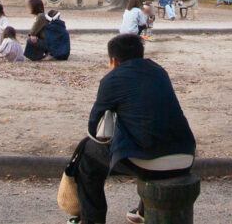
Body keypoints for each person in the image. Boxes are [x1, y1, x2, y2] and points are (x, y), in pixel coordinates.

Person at [65, 34, 195, 224]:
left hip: (149, 164)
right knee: (149, 133)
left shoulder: (112, 79)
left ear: (114, 61)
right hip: (185, 157)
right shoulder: (159, 71)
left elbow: (94, 131)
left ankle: (91, 220)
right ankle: (144, 211)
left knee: (87, 155)